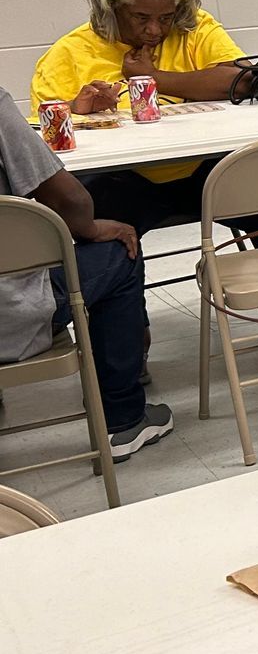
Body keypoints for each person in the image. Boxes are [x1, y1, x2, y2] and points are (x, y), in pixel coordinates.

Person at [31, 0, 258, 250]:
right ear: (113, 9)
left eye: (165, 18)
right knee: (105, 245)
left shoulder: (192, 27)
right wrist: (76, 109)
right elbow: (41, 141)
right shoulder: (69, 52)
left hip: (204, 167)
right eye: (141, 18)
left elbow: (244, 80)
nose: (155, 30)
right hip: (121, 179)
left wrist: (153, 77)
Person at [0, 87, 171, 461]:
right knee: (120, 252)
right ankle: (124, 419)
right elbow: (68, 199)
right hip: (12, 322)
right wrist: (91, 229)